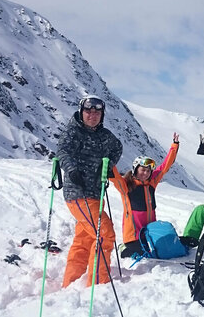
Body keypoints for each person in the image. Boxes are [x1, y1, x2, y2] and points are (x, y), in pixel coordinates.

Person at [56, 95, 123, 287]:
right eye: (88, 111)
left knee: (84, 238)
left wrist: (109, 164)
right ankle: (98, 283)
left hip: (96, 193)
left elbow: (117, 147)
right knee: (105, 233)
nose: (92, 115)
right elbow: (62, 151)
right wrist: (71, 169)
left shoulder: (105, 136)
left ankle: (71, 283)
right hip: (77, 192)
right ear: (81, 112)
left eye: (97, 112)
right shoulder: (73, 131)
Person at [110, 133, 179, 258]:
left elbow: (165, 167)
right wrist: (109, 162)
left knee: (162, 249)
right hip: (133, 235)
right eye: (142, 169)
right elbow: (115, 178)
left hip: (150, 232)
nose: (145, 173)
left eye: (148, 171)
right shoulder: (126, 185)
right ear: (135, 169)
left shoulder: (151, 183)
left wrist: (174, 145)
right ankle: (124, 247)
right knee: (145, 253)